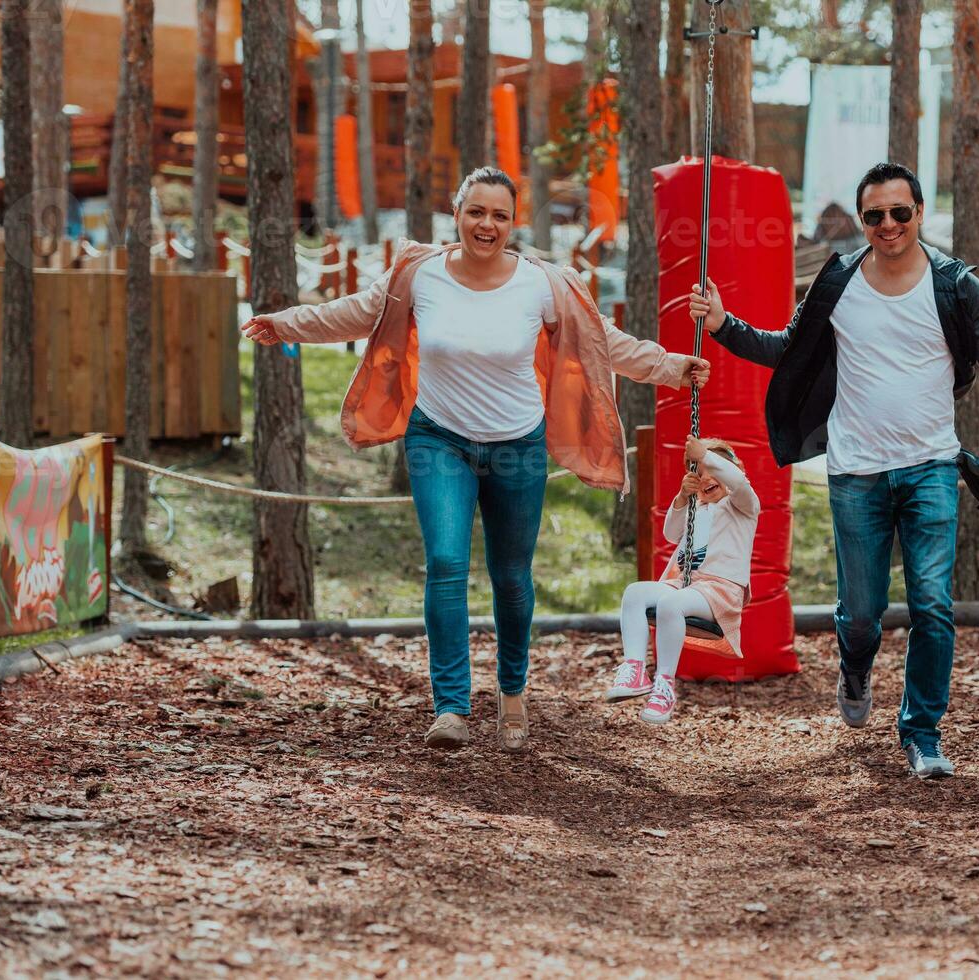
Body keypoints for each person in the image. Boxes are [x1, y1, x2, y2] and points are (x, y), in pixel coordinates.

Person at [242, 166, 711, 754]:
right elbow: (356, 311)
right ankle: (452, 706)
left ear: (513, 223)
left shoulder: (544, 285)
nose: (486, 224)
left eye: (499, 215)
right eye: (476, 212)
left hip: (517, 447)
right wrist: (283, 322)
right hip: (439, 440)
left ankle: (512, 692)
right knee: (444, 563)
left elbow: (602, 343)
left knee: (512, 579)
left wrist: (670, 366)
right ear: (456, 214)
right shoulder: (420, 275)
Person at [687, 161, 979, 779]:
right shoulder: (838, 282)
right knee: (861, 613)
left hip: (931, 468)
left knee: (933, 605)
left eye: (899, 213)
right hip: (856, 473)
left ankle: (922, 734)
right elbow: (788, 348)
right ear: (862, 222)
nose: (887, 225)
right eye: (874, 216)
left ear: (919, 213)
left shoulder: (955, 286)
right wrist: (724, 326)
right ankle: (855, 667)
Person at [606, 435, 760, 724]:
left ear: (733, 468)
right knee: (634, 593)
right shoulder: (697, 508)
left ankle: (664, 686)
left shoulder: (743, 506)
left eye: (712, 469)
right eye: (697, 473)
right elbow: (671, 534)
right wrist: (681, 498)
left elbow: (738, 483)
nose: (705, 478)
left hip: (719, 589)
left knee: (670, 604)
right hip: (685, 585)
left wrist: (706, 455)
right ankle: (635, 668)